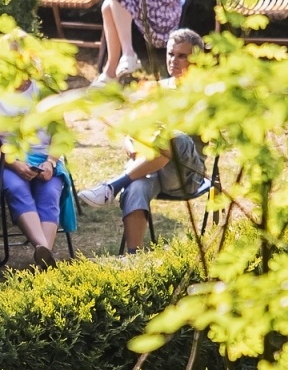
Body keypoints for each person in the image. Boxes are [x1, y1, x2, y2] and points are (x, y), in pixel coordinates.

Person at [78, 29, 209, 253]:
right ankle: (132, 256)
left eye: (181, 56)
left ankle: (112, 186)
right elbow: (130, 133)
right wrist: (132, 149)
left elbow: (187, 134)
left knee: (174, 136)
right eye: (170, 54)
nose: (173, 61)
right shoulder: (156, 89)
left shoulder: (204, 94)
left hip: (186, 174)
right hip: (153, 169)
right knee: (136, 186)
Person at [0, 79, 65, 268]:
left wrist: (51, 162)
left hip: (44, 159)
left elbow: (61, 135)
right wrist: (15, 165)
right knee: (16, 188)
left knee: (50, 192)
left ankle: (43, 258)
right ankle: (43, 250)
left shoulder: (46, 92)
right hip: (7, 160)